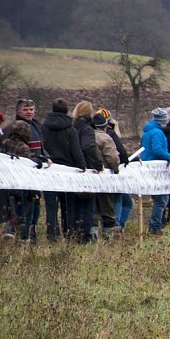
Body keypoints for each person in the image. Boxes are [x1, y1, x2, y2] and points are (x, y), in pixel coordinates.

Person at [42, 98, 85, 241]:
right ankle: (69, 233)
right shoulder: (70, 129)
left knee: (50, 204)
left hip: (48, 170)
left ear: (52, 109)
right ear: (67, 110)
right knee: (67, 205)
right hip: (68, 171)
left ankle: (52, 234)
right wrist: (82, 166)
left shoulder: (44, 127)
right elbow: (76, 151)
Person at [12, 98, 50, 243]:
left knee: (35, 205)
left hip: (36, 174)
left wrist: (46, 157)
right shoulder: (16, 127)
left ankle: (31, 234)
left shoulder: (35, 126)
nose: (29, 112)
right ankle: (20, 235)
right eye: (25, 109)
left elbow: (40, 147)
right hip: (22, 175)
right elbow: (20, 150)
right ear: (18, 111)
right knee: (23, 206)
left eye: (31, 109)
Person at [1, 120, 44, 242]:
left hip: (6, 184)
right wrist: (38, 160)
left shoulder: (4, 143)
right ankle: (23, 237)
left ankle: (8, 231)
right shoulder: (23, 147)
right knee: (24, 213)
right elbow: (30, 162)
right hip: (21, 185)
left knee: (10, 210)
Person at [97, 108, 133, 230]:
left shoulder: (89, 133)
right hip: (111, 172)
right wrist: (117, 167)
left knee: (102, 204)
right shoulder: (110, 134)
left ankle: (111, 226)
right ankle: (116, 226)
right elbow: (120, 154)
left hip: (98, 172)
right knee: (120, 199)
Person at [71, 101, 102, 243]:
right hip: (86, 169)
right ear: (89, 112)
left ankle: (72, 234)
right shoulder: (87, 128)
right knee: (87, 205)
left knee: (74, 205)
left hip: (70, 169)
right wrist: (97, 164)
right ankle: (84, 236)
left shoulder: (72, 126)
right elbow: (88, 147)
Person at [140, 107, 170, 236]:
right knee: (161, 199)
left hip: (148, 166)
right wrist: (168, 156)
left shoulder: (147, 132)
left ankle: (154, 226)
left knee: (158, 199)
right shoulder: (157, 133)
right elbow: (157, 150)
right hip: (156, 170)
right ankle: (155, 227)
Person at [92, 112, 121, 238]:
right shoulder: (106, 138)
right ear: (105, 126)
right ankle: (108, 238)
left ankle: (92, 237)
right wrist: (116, 168)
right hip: (105, 178)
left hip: (87, 178)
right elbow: (113, 159)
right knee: (107, 209)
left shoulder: (85, 135)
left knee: (94, 209)